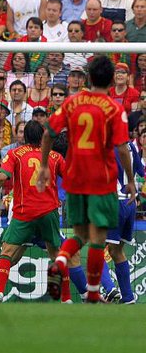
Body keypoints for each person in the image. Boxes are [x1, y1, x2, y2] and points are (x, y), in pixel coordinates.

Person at [38, 55, 136, 303]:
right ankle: (93, 293)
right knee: (97, 238)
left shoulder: (72, 102)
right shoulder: (115, 108)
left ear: (88, 78)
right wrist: (131, 180)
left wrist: (43, 166)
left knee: (80, 234)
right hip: (101, 181)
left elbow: (48, 132)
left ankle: (60, 261)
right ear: (112, 79)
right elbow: (123, 148)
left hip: (74, 179)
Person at [0, 120, 65, 303]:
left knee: (7, 252)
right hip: (49, 211)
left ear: (24, 137)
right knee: (57, 254)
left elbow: (1, 177)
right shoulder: (54, 156)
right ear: (42, 136)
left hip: (25, 212)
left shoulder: (15, 154)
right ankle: (65, 298)